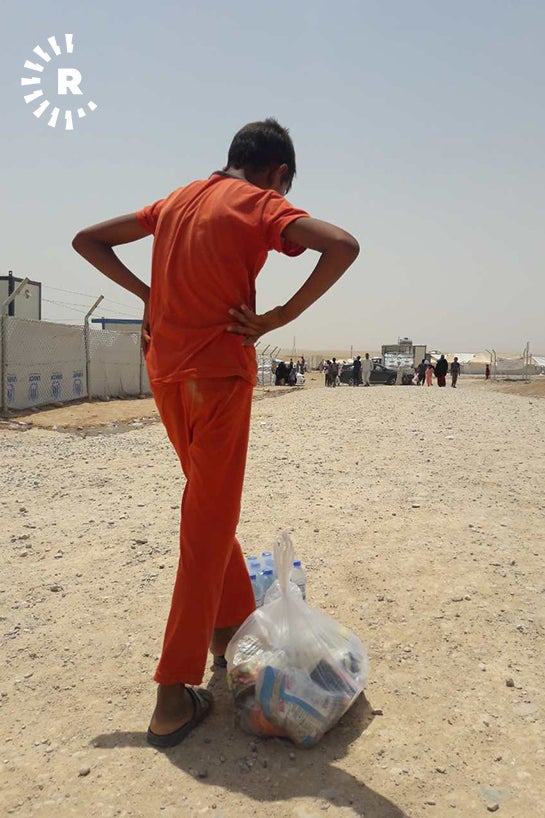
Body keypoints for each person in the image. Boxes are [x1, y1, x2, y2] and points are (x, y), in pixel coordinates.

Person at [72, 118, 359, 747]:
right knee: (206, 523)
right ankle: (171, 698)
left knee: (210, 508)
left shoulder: (175, 202)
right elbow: (342, 245)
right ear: (279, 174)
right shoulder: (257, 203)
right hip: (219, 376)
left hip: (167, 374)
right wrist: (278, 316)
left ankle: (227, 631)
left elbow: (86, 240)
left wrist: (150, 295)